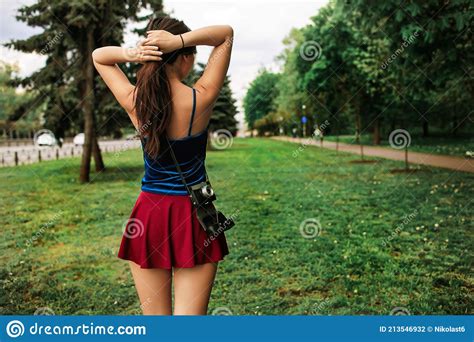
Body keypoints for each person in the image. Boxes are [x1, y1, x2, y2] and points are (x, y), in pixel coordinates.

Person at [92, 16, 234, 315]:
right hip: (195, 217)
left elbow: (100, 57)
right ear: (184, 59)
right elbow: (225, 35)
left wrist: (134, 52)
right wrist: (182, 40)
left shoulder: (136, 101)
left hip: (148, 216)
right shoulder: (201, 98)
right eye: (191, 57)